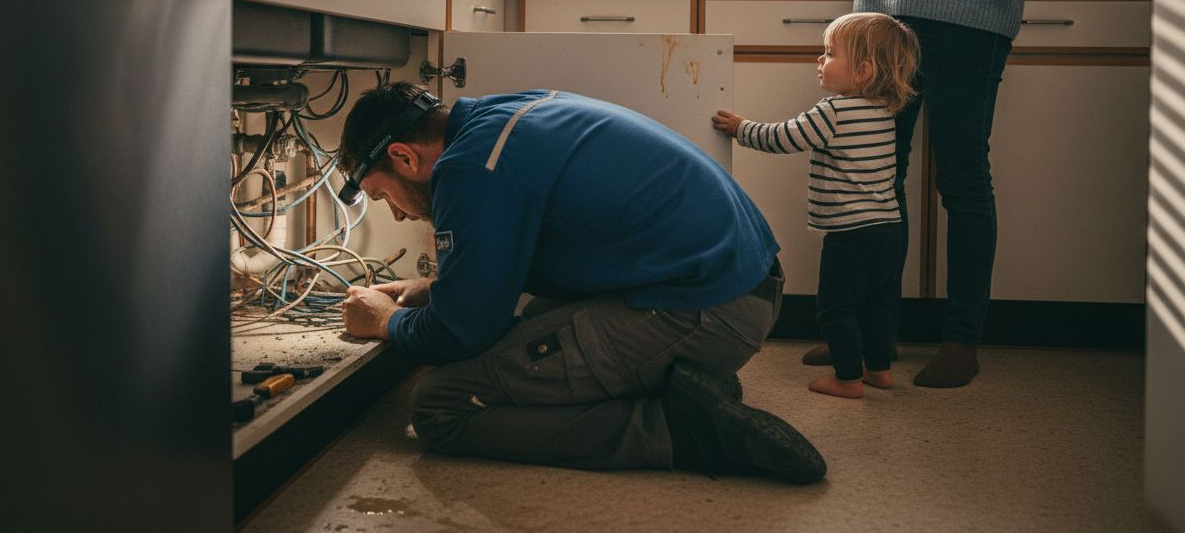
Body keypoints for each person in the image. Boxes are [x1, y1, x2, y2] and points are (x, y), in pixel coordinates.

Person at [335, 83, 825, 484]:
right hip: (739, 289)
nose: (397, 213)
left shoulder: (470, 167)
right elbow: (513, 254)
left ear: (403, 157)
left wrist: (386, 321)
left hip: (710, 313)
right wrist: (436, 289)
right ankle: (684, 382)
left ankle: (678, 429)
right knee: (531, 323)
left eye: (384, 196)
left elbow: (461, 333)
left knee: (441, 403)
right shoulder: (507, 116)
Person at [844, 0, 1051, 387]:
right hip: (883, 9)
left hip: (971, 11)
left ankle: (962, 340)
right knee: (877, 176)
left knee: (961, 178)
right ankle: (870, 333)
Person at [712, 13, 920, 400]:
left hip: (850, 235)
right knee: (876, 306)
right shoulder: (884, 112)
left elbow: (784, 137)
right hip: (889, 230)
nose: (820, 60)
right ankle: (878, 370)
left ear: (862, 71)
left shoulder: (833, 111)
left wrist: (741, 128)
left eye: (830, 53)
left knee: (835, 309)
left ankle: (847, 379)